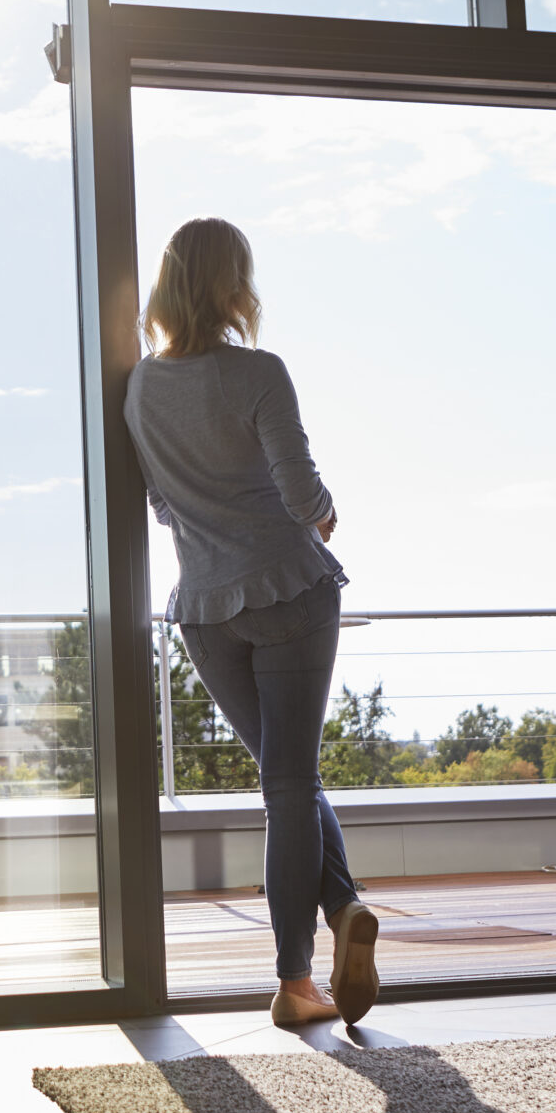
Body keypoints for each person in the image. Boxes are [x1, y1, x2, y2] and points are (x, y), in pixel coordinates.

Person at [124, 217, 378, 1029]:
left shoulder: (139, 389)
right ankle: (294, 978)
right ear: (233, 285)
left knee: (285, 777)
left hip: (203, 606)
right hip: (290, 588)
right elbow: (302, 491)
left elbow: (161, 503)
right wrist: (327, 514)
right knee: (291, 781)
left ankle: (340, 915)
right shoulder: (260, 371)